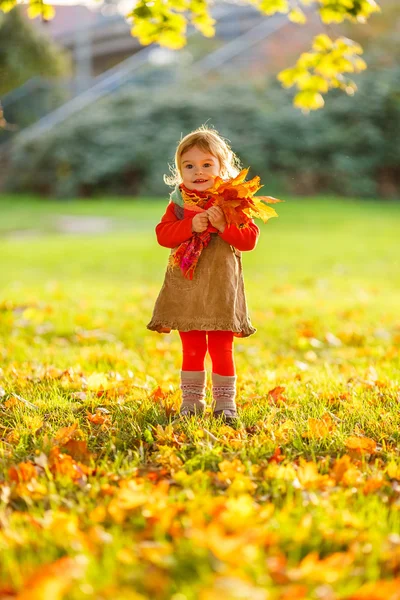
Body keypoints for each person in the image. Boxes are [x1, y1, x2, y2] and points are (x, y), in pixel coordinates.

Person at [146, 125, 260, 425]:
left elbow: (249, 240)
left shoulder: (233, 202)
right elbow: (163, 235)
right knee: (193, 345)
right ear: (179, 170)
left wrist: (224, 226)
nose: (198, 171)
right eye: (190, 165)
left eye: (207, 164)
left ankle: (225, 402)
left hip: (222, 286)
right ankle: (192, 401)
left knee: (221, 345)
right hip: (188, 285)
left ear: (222, 168)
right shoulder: (180, 204)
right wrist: (190, 226)